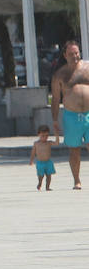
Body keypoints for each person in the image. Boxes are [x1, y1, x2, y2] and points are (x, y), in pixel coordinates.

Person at [49, 39, 89, 185]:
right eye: (71, 54)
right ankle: (76, 180)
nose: (75, 56)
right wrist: (54, 120)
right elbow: (55, 99)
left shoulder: (87, 68)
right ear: (65, 55)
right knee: (74, 150)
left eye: (77, 53)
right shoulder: (60, 75)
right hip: (71, 116)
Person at [31, 124, 55, 189]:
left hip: (48, 162)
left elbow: (57, 143)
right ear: (38, 135)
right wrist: (31, 160)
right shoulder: (36, 143)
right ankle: (40, 182)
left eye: (46, 136)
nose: (45, 137)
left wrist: (57, 135)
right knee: (40, 175)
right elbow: (33, 152)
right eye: (43, 136)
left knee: (49, 176)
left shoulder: (49, 143)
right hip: (40, 162)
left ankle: (47, 187)